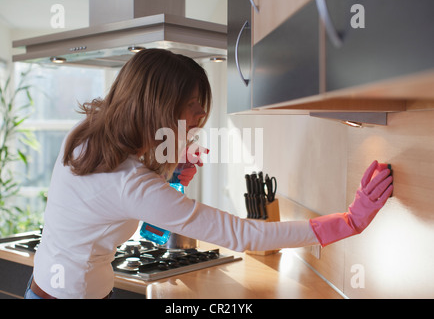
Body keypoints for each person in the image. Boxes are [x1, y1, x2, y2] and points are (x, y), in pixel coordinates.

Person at [24, 49, 393, 299]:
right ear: (158, 104)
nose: (201, 116)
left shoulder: (86, 136)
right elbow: (243, 233)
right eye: (193, 104)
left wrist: (170, 174)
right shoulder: (131, 183)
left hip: (45, 286)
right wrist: (348, 222)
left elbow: (111, 197)